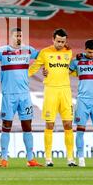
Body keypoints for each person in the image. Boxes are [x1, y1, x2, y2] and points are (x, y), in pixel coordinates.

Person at [0, 28, 42, 167]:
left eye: (21, 35)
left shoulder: (28, 50)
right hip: (8, 95)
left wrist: (45, 67)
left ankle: (31, 159)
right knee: (6, 126)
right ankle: (4, 159)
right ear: (11, 37)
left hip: (25, 95)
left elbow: (44, 57)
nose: (19, 38)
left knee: (27, 126)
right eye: (16, 35)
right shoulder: (2, 51)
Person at [28, 28, 77, 167]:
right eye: (58, 41)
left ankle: (70, 159)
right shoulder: (45, 52)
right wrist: (23, 78)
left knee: (68, 124)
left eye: (63, 41)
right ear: (53, 39)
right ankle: (48, 158)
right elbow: (35, 67)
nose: (60, 44)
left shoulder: (69, 52)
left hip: (65, 91)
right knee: (49, 124)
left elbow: (70, 70)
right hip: (50, 91)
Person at [69, 39, 93, 167]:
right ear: (85, 49)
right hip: (82, 100)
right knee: (80, 130)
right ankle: (81, 159)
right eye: (89, 52)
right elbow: (64, 71)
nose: (91, 54)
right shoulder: (77, 61)